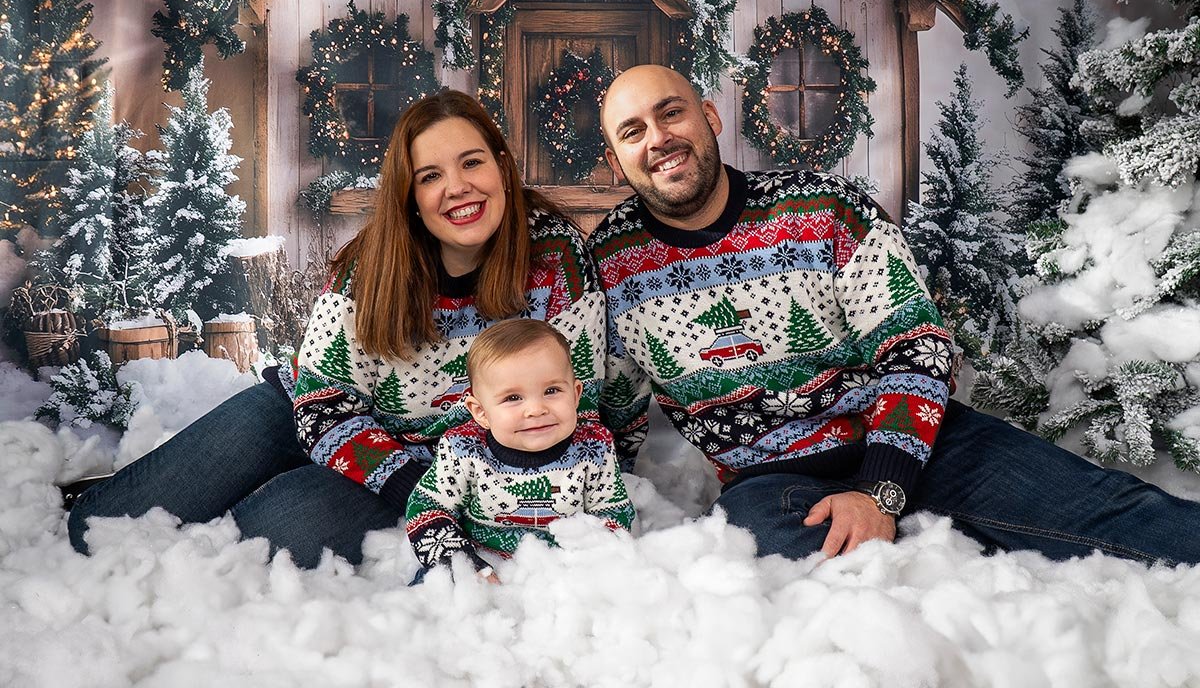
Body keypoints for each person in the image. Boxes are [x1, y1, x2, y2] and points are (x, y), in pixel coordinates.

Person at [591, 63, 1200, 566]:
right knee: (791, 567)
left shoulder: (825, 211)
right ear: (618, 162)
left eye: (671, 113)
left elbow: (920, 350)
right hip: (773, 488)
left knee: (1136, 521)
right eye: (632, 131)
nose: (657, 138)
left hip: (917, 443)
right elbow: (608, 406)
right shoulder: (610, 266)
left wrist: (880, 493)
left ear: (710, 117)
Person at [68, 90, 608, 569]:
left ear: (503, 166)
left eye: (472, 163)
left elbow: (577, 401)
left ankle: (265, 491)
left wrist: (447, 491)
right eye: (430, 177)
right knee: (99, 529)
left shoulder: (557, 259)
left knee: (268, 535)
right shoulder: (370, 265)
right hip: (306, 408)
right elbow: (323, 403)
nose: (457, 188)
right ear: (411, 197)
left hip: (431, 460)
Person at [405, 318, 635, 582]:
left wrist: (589, 562)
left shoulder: (594, 448)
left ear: (575, 394)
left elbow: (613, 512)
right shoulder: (463, 449)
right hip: (483, 561)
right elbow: (428, 507)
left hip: (566, 570)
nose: (536, 409)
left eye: (552, 390)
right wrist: (460, 561)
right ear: (481, 412)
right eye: (513, 398)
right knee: (434, 594)